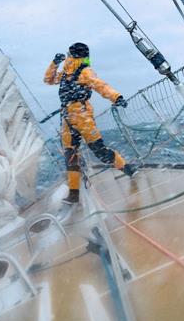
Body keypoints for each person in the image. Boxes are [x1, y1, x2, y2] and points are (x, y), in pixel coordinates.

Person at [44, 42, 139, 205]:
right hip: (67, 118)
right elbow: (48, 79)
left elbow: (100, 85)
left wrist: (116, 97)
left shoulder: (85, 72)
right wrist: (54, 63)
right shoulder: (65, 74)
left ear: (73, 55)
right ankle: (74, 195)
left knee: (99, 151)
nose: (67, 57)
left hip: (83, 117)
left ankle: (127, 168)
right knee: (70, 156)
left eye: (68, 55)